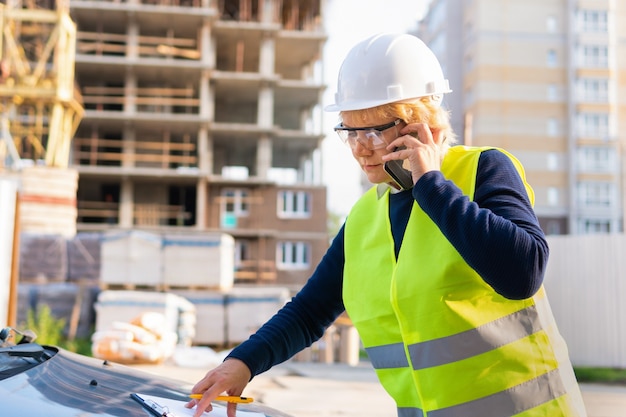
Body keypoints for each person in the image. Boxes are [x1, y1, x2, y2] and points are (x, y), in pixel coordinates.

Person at [187, 33, 587, 417]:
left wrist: (430, 184)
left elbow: (523, 273)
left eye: (374, 130)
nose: (361, 147)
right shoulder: (364, 217)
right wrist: (241, 363)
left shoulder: (482, 169)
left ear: (421, 125)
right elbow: (311, 310)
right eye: (350, 131)